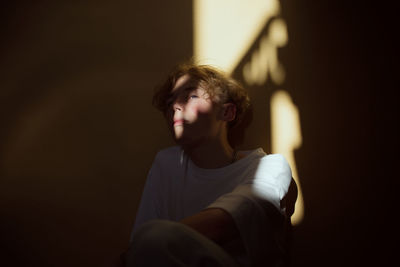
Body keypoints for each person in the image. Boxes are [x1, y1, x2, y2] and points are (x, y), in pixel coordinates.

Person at [124, 62, 296, 267]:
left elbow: (224, 223)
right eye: (170, 101)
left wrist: (145, 247)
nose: (175, 106)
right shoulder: (167, 163)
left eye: (191, 95)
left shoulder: (269, 166)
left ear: (227, 113)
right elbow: (140, 247)